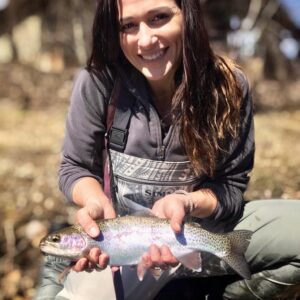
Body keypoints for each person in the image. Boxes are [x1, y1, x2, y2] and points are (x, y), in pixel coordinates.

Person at [35, 0, 300, 299]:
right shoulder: (98, 82)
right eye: (128, 25)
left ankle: (218, 293)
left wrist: (188, 202)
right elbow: (75, 166)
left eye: (159, 17)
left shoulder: (230, 85)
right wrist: (94, 200)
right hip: (125, 248)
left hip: (209, 230)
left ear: (188, 16)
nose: (146, 39)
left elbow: (231, 186)